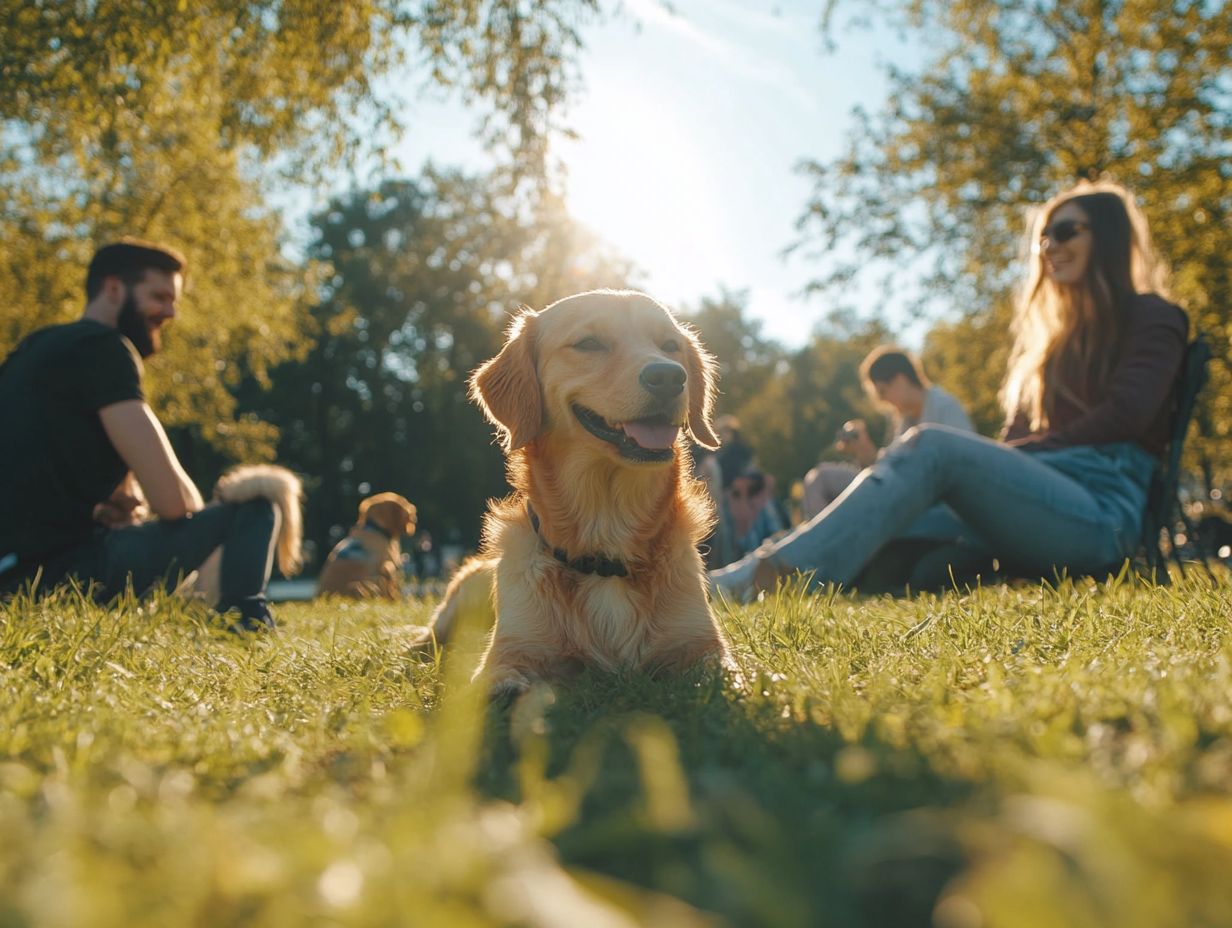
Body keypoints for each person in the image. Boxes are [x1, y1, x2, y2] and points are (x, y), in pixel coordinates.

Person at [710, 180, 1188, 599]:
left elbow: (1128, 413)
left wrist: (1027, 455)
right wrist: (1016, 461)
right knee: (883, 519)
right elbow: (1014, 440)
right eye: (1044, 237)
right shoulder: (1050, 347)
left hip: (1102, 516)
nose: (1050, 246)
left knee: (932, 445)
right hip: (1038, 503)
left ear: (1107, 237)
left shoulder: (1152, 316)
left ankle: (775, 579)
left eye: (1065, 232)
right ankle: (748, 573)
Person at [0, 239, 281, 630]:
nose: (169, 312)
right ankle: (246, 624)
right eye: (159, 296)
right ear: (113, 288)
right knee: (257, 506)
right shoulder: (106, 348)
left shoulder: (30, 351)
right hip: (60, 575)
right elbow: (173, 502)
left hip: (11, 580)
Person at [800, 347, 973, 520]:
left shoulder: (945, 407)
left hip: (932, 504)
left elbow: (964, 472)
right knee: (821, 477)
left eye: (882, 391)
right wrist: (864, 451)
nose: (882, 400)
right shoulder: (904, 420)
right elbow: (890, 469)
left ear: (900, 379)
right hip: (904, 494)